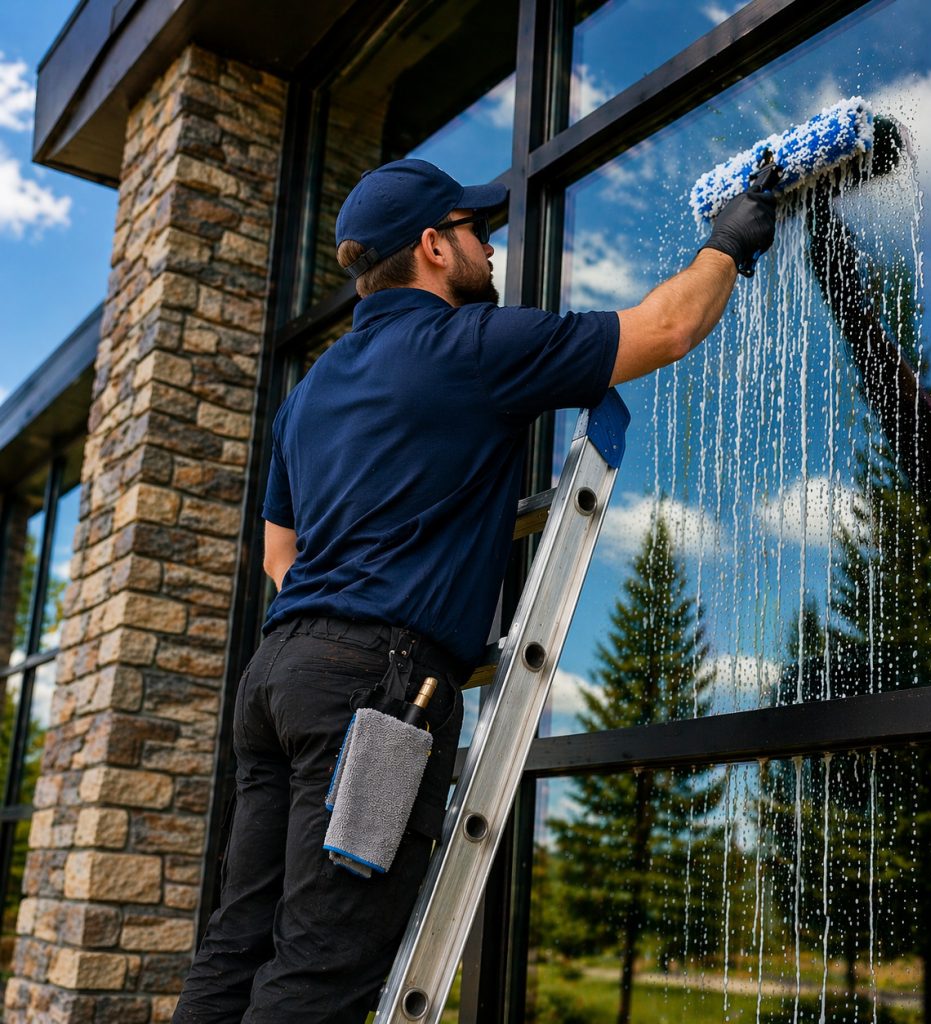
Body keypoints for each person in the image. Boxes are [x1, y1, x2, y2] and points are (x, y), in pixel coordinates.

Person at [172, 158, 775, 1023]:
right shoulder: (471, 347)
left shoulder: (311, 394)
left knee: (236, 944)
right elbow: (667, 329)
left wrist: (342, 601)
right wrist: (729, 243)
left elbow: (278, 550)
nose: (489, 250)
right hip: (375, 697)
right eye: (475, 234)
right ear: (431, 248)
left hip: (276, 678)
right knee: (321, 967)